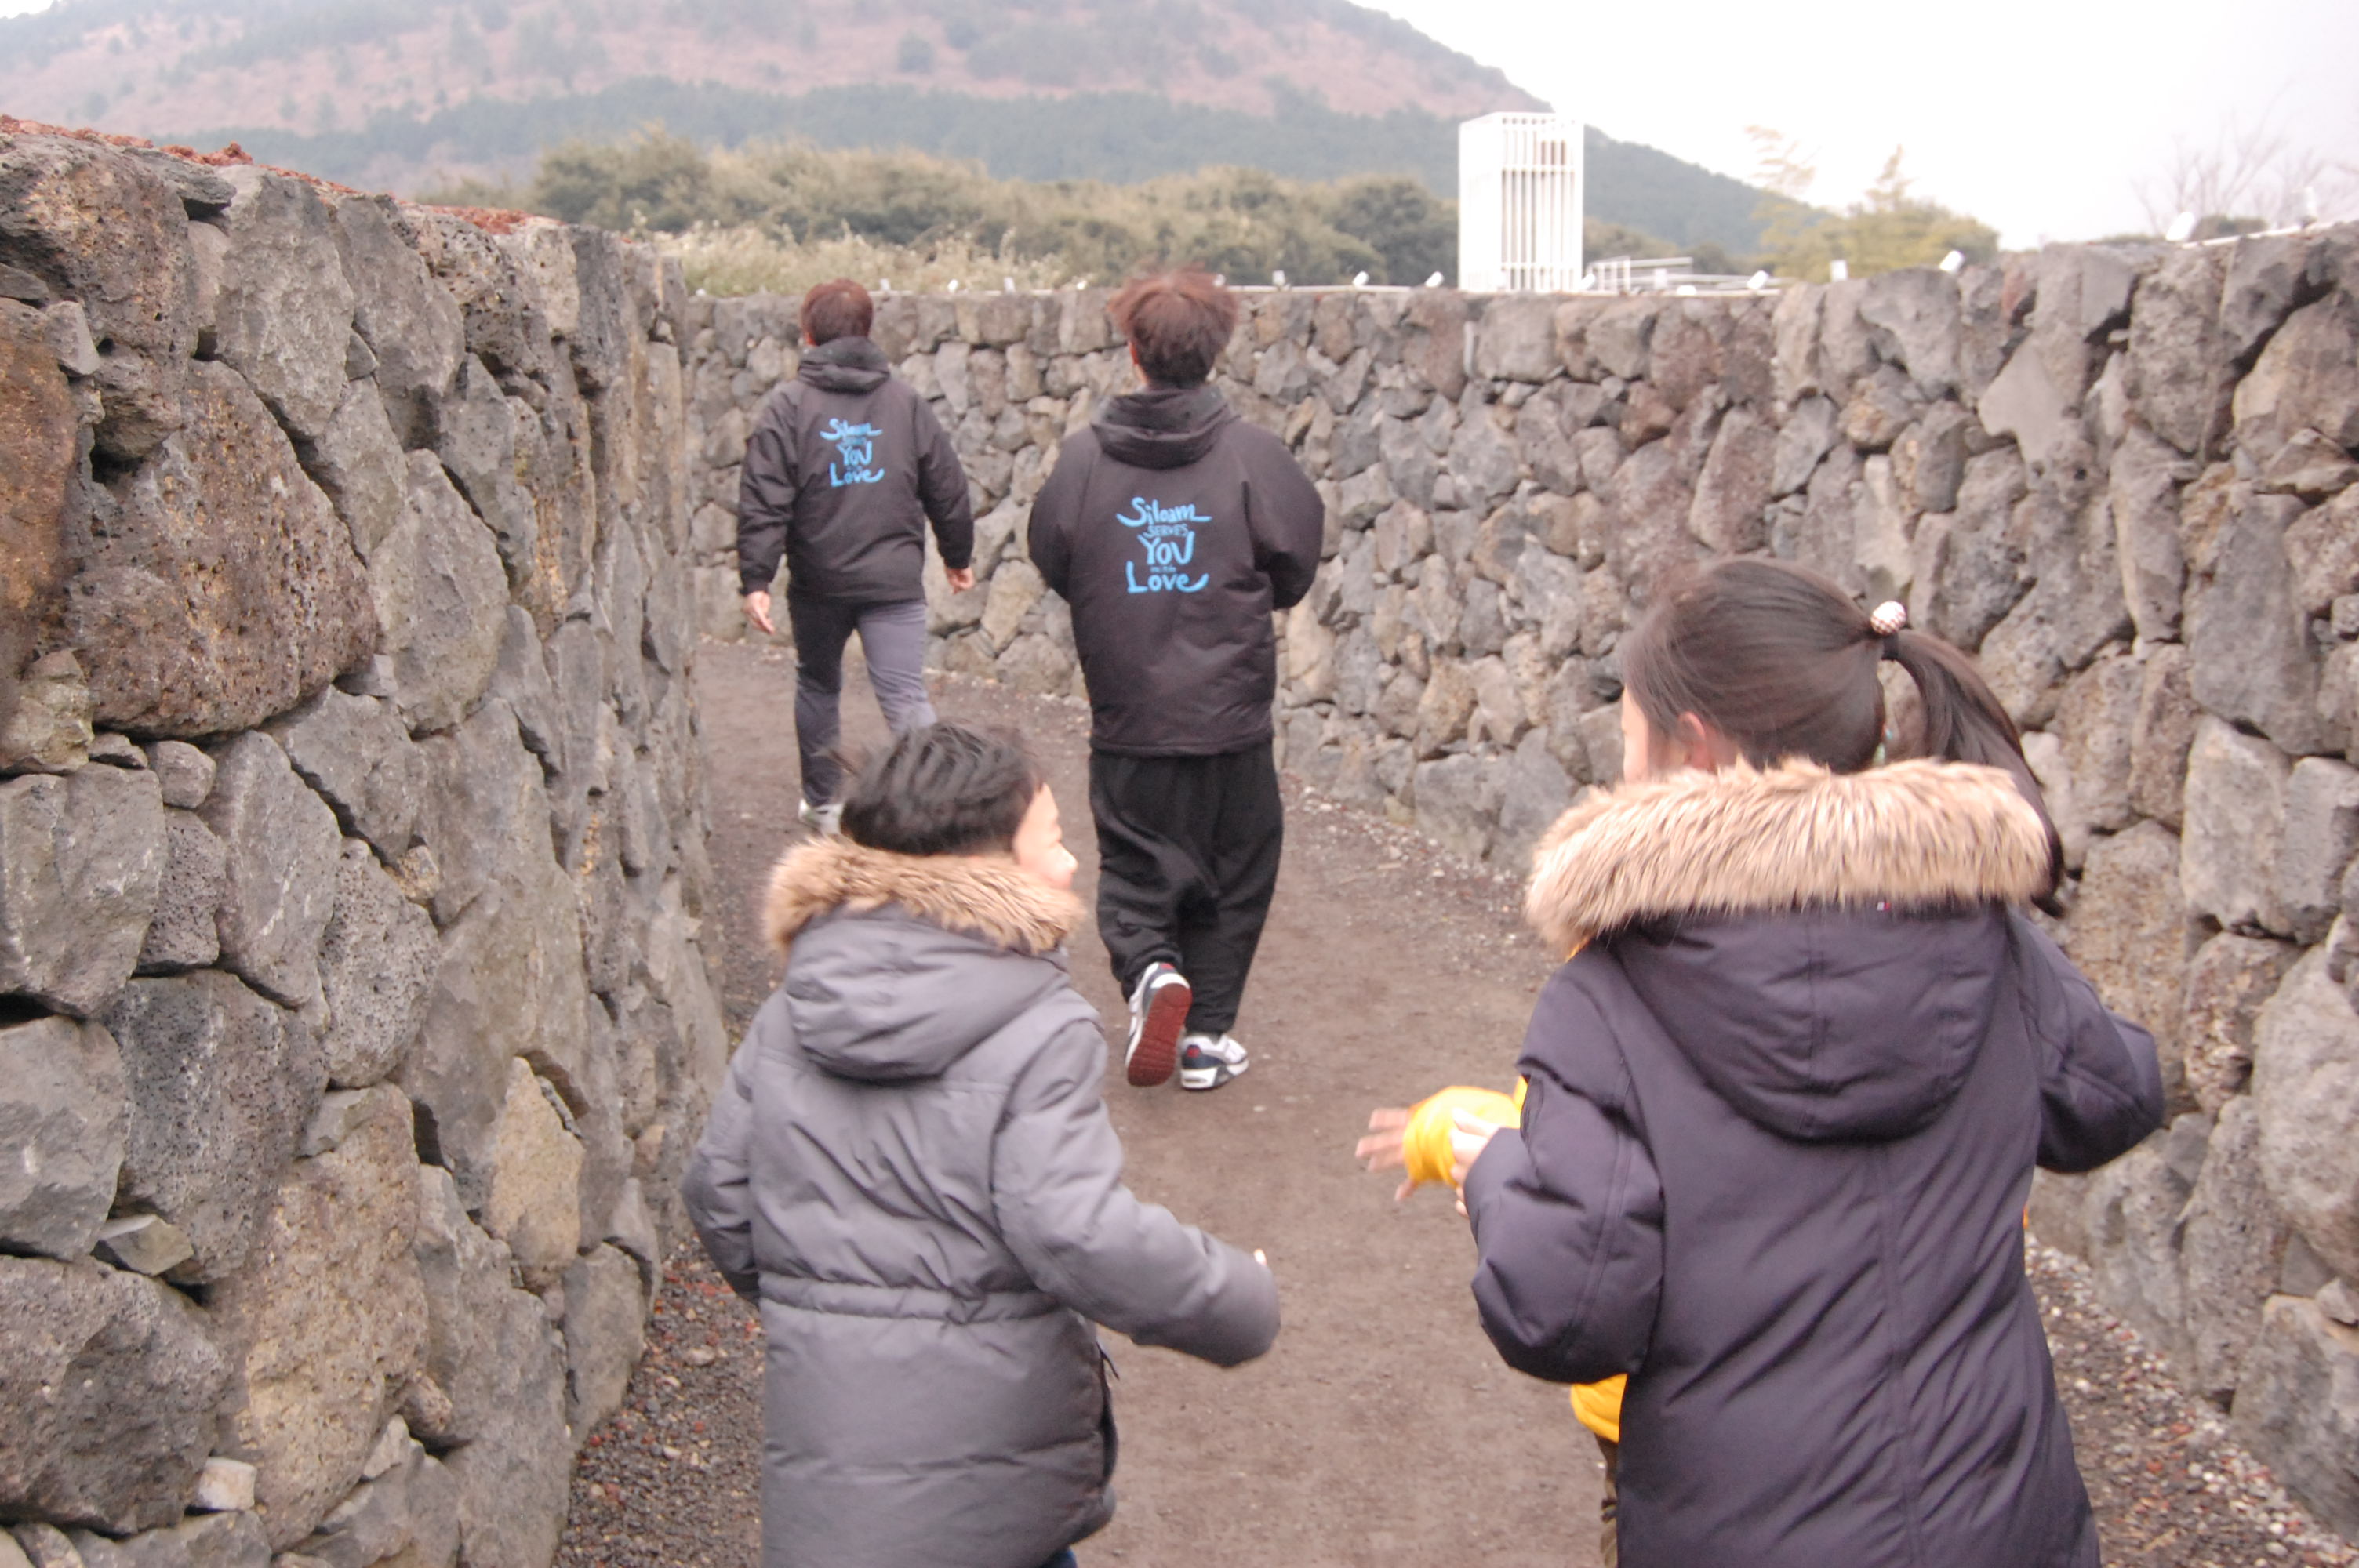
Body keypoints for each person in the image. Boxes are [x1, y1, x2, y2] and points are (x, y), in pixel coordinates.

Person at [1392, 560, 2163, 1568]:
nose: (1620, 773)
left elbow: (1567, 1310)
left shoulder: (1609, 995)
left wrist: (1495, 1167)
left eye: (1629, 740)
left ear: (1694, 747)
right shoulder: (1988, 939)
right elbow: (2113, 1094)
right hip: (2000, 1514)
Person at [682, 723, 1280, 1568]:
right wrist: (1238, 1296)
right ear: (987, 868)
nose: (1069, 863)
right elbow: (1074, 1230)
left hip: (826, 1506)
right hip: (988, 1506)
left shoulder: (791, 1012)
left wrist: (820, 1302)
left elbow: (717, 1190)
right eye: (1053, 840)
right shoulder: (1037, 1025)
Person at [1028, 266, 1324, 1092]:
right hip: (1230, 716)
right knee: (1237, 869)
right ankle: (1205, 1037)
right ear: (1215, 350)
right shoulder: (1254, 457)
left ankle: (1152, 970)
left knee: (1134, 863)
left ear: (1133, 352)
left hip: (1130, 717)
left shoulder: (1084, 461)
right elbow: (1294, 563)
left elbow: (1052, 553)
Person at [737, 278, 976, 833]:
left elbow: (764, 496)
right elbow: (946, 485)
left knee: (819, 685)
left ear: (808, 335)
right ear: (868, 331)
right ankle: (942, 808)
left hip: (818, 582)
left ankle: (823, 807)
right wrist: (956, 554)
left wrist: (757, 578)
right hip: (893, 581)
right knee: (905, 694)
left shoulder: (788, 406)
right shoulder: (905, 402)